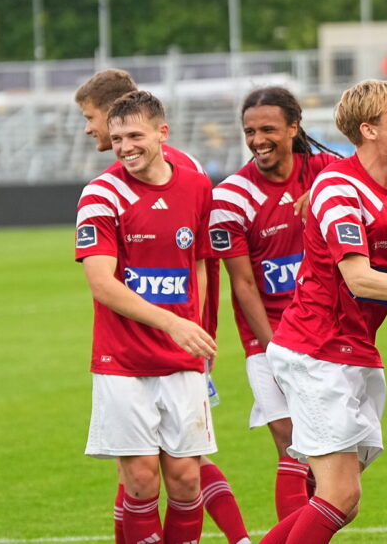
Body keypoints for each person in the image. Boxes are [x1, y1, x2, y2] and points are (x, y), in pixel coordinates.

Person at [258, 79, 387, 544]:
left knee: (342, 502)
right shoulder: (338, 187)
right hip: (315, 351)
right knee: (338, 495)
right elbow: (358, 277)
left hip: (354, 350)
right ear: (368, 130)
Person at [74, 69, 249, 544]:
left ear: (161, 134)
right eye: (116, 138)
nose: (124, 146)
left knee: (187, 480)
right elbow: (101, 284)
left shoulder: (195, 187)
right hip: (123, 360)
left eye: (134, 136)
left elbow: (199, 267)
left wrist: (195, 328)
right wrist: (173, 322)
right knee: (141, 480)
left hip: (182, 356)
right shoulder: (100, 193)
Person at [208, 87, 342, 520]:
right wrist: (277, 352)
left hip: (328, 335)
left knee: (329, 462)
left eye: (268, 129)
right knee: (289, 441)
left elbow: (371, 175)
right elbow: (244, 286)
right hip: (269, 338)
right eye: (250, 131)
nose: (257, 139)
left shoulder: (326, 172)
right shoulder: (230, 197)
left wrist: (330, 191)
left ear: (293, 128)